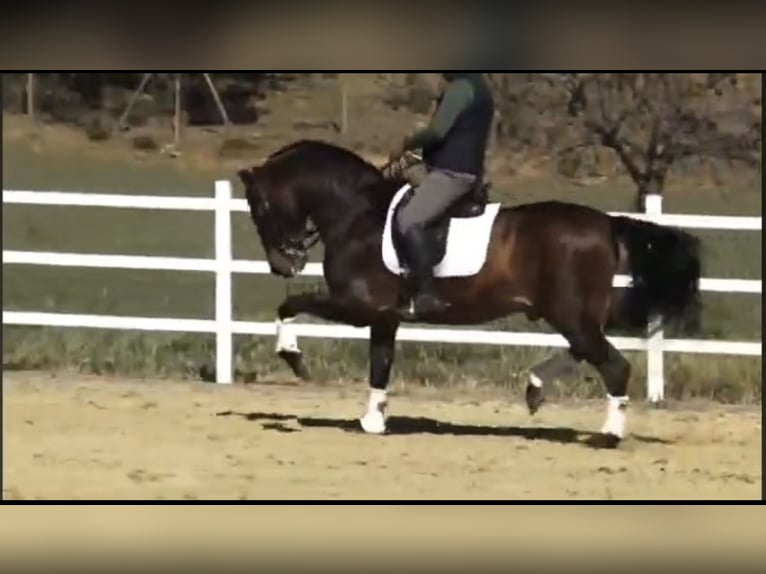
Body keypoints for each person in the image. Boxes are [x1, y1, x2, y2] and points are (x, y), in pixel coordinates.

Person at [389, 72, 495, 315]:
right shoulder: (478, 86)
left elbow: (437, 132)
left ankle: (427, 293)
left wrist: (407, 142)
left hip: (452, 173)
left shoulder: (461, 88)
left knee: (408, 219)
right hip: (455, 168)